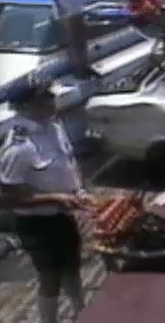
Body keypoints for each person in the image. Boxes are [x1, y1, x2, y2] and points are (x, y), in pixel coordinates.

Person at [0, 84, 96, 323]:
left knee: (72, 269)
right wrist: (58, 198)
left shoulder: (55, 126)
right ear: (22, 107)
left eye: (50, 96)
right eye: (43, 99)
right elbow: (10, 197)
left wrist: (78, 190)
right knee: (50, 278)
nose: (51, 101)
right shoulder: (19, 147)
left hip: (63, 216)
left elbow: (69, 162)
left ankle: (80, 313)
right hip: (36, 223)